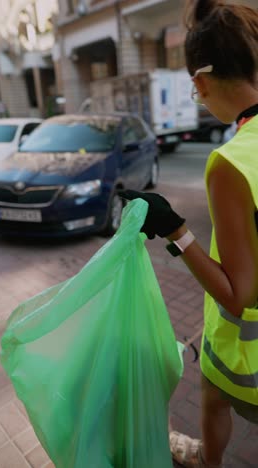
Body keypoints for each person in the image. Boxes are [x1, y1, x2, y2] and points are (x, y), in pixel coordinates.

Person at [119, 0, 258, 466]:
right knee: (213, 397)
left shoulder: (231, 161)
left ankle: (208, 461)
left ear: (198, 82)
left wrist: (174, 229)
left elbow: (238, 295)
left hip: (248, 356)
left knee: (215, 396)